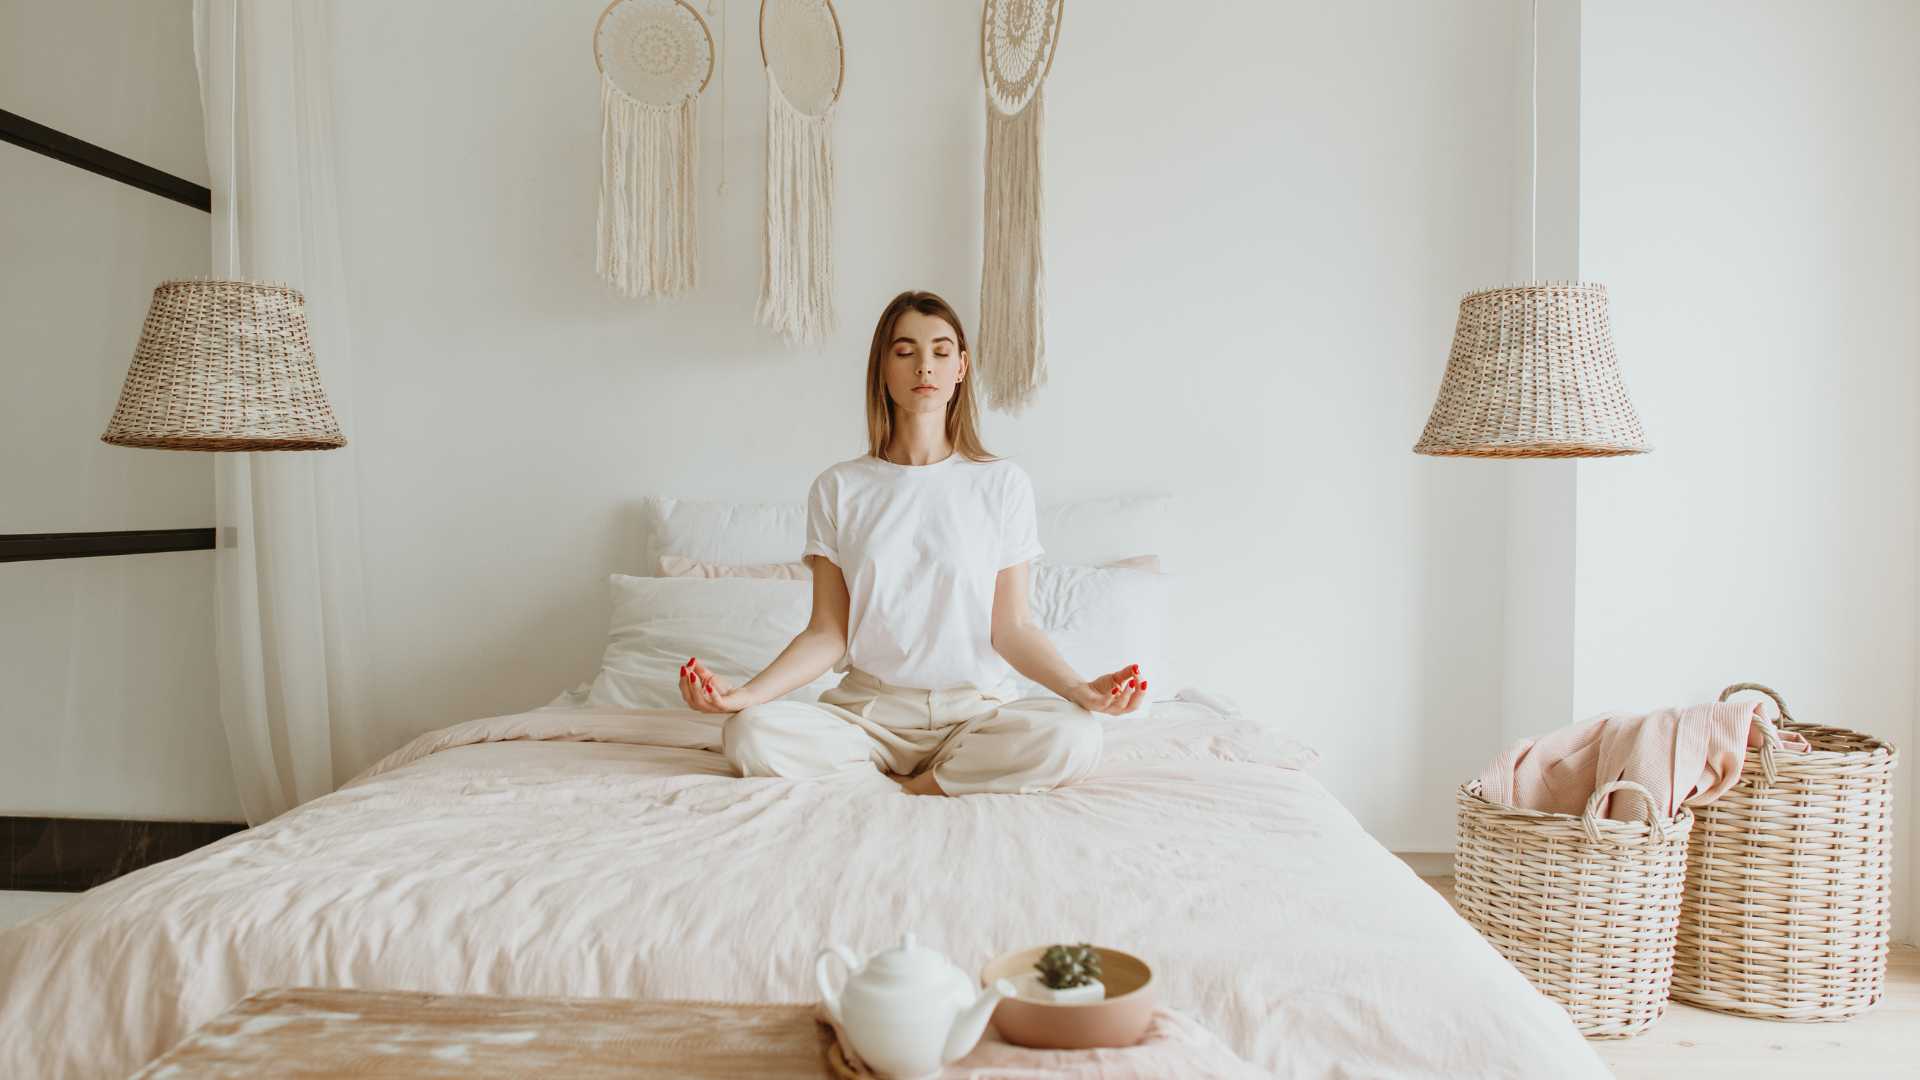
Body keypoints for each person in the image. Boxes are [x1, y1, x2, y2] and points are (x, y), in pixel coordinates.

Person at [677, 290, 1149, 796]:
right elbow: (827, 634)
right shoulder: (840, 487)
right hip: (867, 716)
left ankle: (917, 786)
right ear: (882, 366)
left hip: (974, 715)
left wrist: (1082, 690)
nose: (925, 365)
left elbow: (1011, 628)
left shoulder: (1002, 484)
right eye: (905, 352)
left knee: (1075, 736)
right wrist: (744, 695)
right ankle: (909, 780)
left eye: (941, 352)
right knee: (750, 733)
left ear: (961, 367)